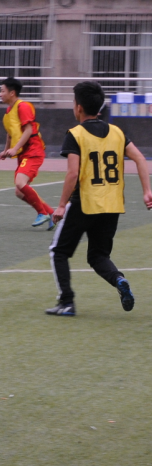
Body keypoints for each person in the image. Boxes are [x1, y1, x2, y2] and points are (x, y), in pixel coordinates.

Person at [45, 81, 152, 316]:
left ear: (79, 107)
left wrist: (61, 205)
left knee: (58, 251)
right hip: (112, 205)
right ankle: (119, 279)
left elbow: (73, 173)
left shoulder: (75, 134)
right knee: (98, 255)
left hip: (84, 203)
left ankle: (67, 302)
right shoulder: (117, 132)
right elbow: (140, 158)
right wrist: (147, 190)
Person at [0, 76, 54, 228]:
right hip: (24, 153)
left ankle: (42, 213)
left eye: (2, 91)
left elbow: (28, 130)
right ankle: (51, 213)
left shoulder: (23, 107)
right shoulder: (9, 111)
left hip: (33, 150)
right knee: (19, 192)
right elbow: (10, 133)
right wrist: (5, 150)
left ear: (12, 93)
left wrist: (15, 148)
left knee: (20, 182)